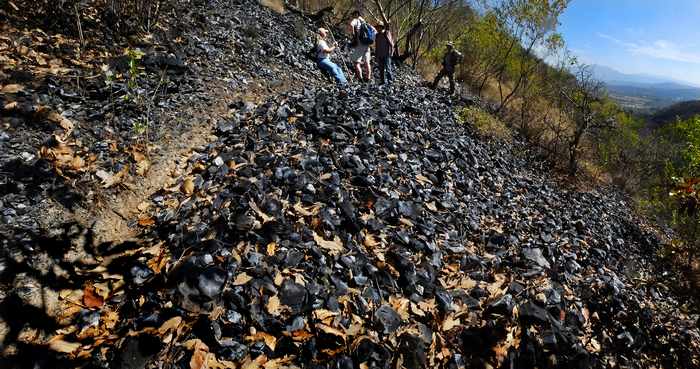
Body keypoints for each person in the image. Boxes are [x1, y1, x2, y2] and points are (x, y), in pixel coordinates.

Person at [349, 10, 376, 82]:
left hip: (360, 44)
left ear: (356, 14)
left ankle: (360, 79)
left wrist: (353, 34)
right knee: (367, 62)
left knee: (356, 62)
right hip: (367, 44)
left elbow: (351, 25)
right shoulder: (365, 22)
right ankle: (368, 78)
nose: (352, 16)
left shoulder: (356, 20)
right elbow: (374, 30)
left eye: (353, 14)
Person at [374, 21, 395, 85]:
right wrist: (376, 55)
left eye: (378, 27)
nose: (377, 29)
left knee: (388, 69)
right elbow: (376, 46)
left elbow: (391, 44)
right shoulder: (377, 35)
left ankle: (390, 82)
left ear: (381, 27)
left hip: (387, 54)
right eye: (377, 27)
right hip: (380, 54)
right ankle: (382, 82)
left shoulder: (386, 33)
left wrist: (391, 53)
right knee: (381, 69)